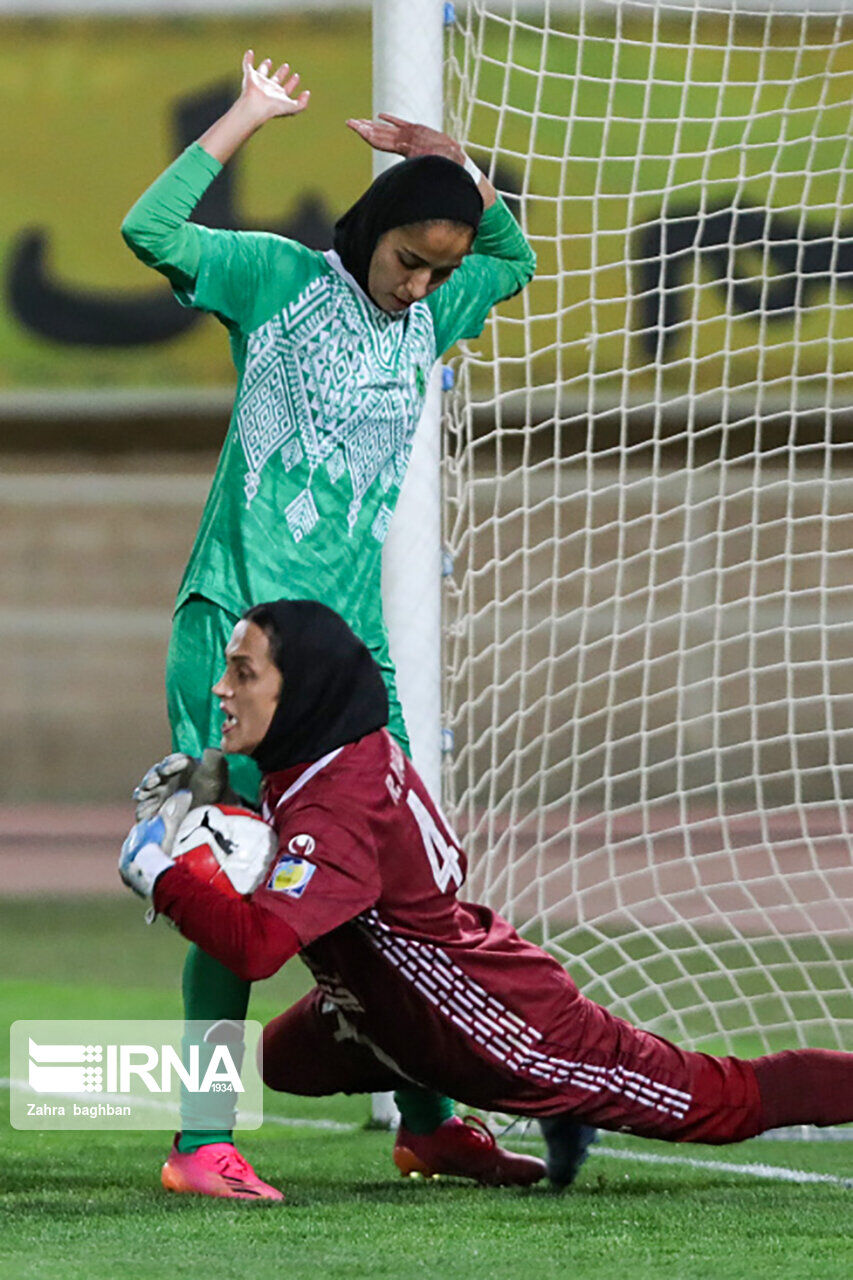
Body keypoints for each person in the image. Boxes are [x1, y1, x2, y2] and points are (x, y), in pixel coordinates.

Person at [121, 48, 564, 1197]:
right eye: (411, 259)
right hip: (238, 644)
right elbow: (149, 230)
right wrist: (246, 118)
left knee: (403, 894)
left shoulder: (444, 295)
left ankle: (430, 1119)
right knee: (232, 884)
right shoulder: (275, 280)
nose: (423, 286)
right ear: (370, 227)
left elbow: (510, 256)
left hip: (354, 659)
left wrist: (451, 163)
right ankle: (197, 1139)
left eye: (439, 270)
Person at [120, 600, 853, 1199]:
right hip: (400, 1005)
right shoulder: (336, 748)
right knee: (286, 1060)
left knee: (722, 1101)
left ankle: (547, 1099)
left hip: (506, 1029)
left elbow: (255, 947)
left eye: (242, 674)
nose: (221, 689)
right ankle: (433, 1130)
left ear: (299, 688)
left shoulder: (336, 809)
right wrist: (216, 783)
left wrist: (162, 872)